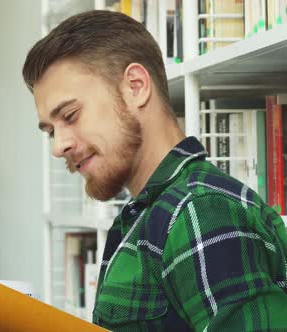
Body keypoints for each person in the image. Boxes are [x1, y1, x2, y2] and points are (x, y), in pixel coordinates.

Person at [22, 10, 287, 331]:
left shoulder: (200, 211)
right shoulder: (149, 216)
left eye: (71, 115)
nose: (57, 146)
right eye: (50, 130)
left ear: (135, 87)